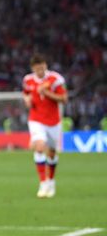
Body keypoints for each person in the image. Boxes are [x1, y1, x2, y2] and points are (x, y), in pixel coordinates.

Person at [22, 54, 68, 199]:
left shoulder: (55, 79)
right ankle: (43, 183)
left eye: (42, 68)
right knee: (40, 146)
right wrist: (27, 100)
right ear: (33, 69)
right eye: (37, 69)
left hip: (53, 121)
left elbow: (64, 99)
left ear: (45, 65)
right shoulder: (28, 80)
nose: (40, 71)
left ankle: (51, 181)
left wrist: (46, 93)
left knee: (52, 153)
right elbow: (26, 94)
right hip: (36, 119)